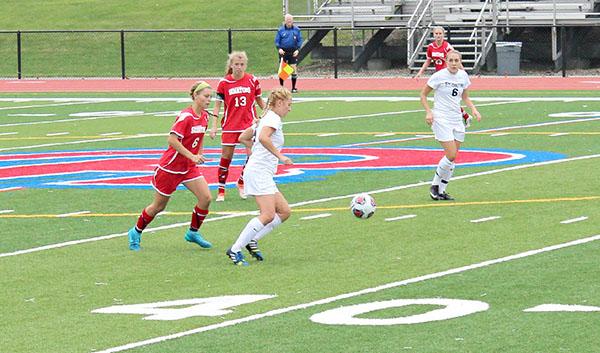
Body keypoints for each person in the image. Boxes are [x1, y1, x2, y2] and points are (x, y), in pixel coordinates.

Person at [127, 81, 214, 251]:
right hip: (170, 168)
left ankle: (193, 232)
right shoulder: (186, 117)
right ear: (195, 96)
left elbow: (200, 136)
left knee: (206, 198)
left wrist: (198, 154)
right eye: (206, 96)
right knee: (159, 206)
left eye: (210, 96)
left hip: (188, 167)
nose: (209, 100)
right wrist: (191, 155)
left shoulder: (204, 116)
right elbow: (172, 140)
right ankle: (135, 232)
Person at [226, 87, 294, 266]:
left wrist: (254, 148)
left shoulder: (265, 118)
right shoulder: (273, 118)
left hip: (261, 171)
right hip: (258, 172)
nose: (290, 108)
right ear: (279, 103)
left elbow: (243, 137)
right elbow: (264, 138)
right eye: (289, 104)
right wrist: (279, 156)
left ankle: (252, 240)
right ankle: (235, 249)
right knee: (268, 214)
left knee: (284, 211)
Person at [419, 50, 481, 201]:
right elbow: (423, 95)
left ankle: (442, 190)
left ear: (460, 61)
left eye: (456, 60)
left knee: (452, 158)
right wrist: (429, 112)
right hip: (441, 118)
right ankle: (434, 185)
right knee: (451, 154)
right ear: (446, 61)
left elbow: (464, 96)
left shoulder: (463, 76)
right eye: (451, 60)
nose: (453, 63)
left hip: (456, 119)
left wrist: (473, 109)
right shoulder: (438, 76)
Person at [210, 51, 266, 202]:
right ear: (231, 65)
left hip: (248, 125)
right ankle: (221, 190)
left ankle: (241, 182)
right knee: (226, 158)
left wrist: (268, 115)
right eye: (236, 64)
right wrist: (214, 126)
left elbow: (260, 101)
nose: (239, 67)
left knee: (252, 155)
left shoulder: (253, 80)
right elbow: (217, 107)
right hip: (230, 125)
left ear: (245, 65)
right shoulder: (224, 83)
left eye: (242, 64)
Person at [414, 26, 472, 127]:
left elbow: (455, 59)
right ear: (433, 34)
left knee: (450, 100)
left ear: (443, 35)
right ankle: (465, 116)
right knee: (447, 100)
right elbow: (428, 60)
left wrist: (463, 72)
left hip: (450, 76)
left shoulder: (447, 47)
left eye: (440, 34)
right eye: (436, 34)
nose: (438, 36)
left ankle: (464, 116)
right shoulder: (431, 47)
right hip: (440, 77)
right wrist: (420, 72)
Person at [275, 13, 303, 93]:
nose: (289, 22)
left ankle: (293, 88)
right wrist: (279, 48)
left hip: (293, 52)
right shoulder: (280, 30)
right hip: (283, 52)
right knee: (283, 70)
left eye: (290, 20)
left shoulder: (297, 30)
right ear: (285, 21)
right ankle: (281, 88)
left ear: (292, 21)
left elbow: (300, 40)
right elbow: (277, 41)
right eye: (287, 20)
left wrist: (297, 49)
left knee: (293, 68)